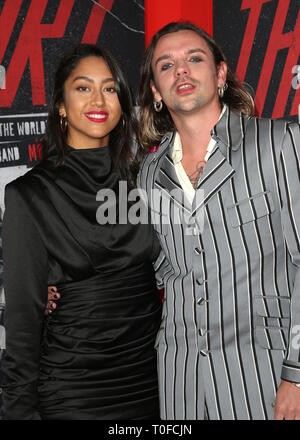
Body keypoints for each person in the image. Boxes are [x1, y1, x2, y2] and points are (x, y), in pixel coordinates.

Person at [136, 21, 300, 420]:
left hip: (266, 370)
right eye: (166, 65)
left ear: (220, 74)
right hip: (181, 378)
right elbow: (160, 269)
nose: (182, 71)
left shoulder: (280, 142)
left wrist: (296, 375)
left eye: (194, 58)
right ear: (156, 91)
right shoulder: (148, 172)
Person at [1, 43, 162, 420]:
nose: (98, 99)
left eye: (109, 88)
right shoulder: (30, 196)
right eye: (83, 87)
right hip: (76, 389)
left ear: (123, 104)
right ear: (61, 105)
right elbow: (23, 324)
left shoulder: (147, 180)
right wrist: (19, 413)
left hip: (152, 380)